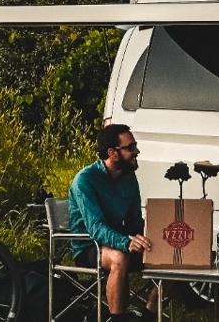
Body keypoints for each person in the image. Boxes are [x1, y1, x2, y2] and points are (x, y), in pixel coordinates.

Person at [69, 124, 154, 321]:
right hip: (90, 246)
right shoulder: (85, 180)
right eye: (130, 147)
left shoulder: (129, 177)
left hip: (121, 241)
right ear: (112, 152)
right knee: (119, 258)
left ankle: (149, 313)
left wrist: (151, 239)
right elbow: (95, 228)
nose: (136, 151)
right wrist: (126, 242)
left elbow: (134, 221)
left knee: (172, 256)